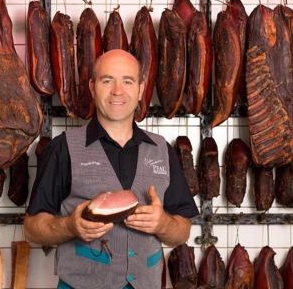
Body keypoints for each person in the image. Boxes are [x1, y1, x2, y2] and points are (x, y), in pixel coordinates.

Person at [24, 49, 199, 289]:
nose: (118, 90)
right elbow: (32, 229)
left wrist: (163, 224)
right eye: (107, 80)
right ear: (92, 87)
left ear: (141, 89)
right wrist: (69, 226)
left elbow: (183, 230)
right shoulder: (63, 148)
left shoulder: (162, 150)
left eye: (128, 81)